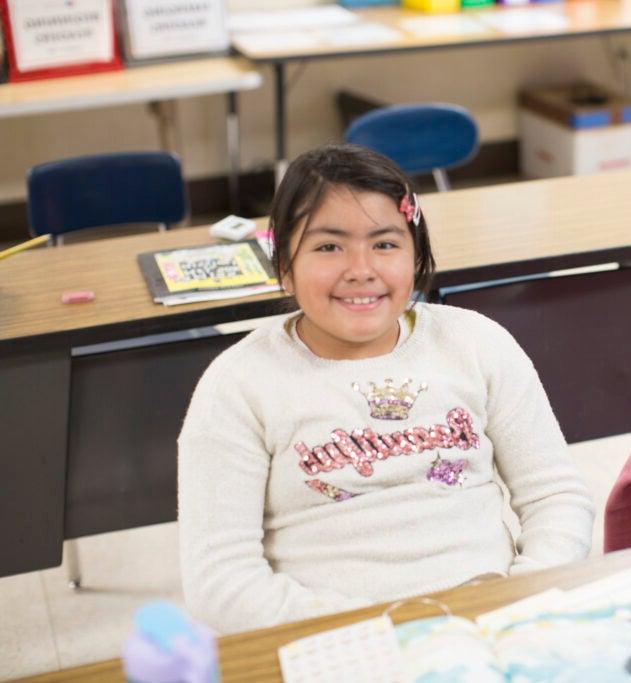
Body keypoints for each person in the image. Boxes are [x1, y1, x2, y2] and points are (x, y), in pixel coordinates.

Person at [178, 143, 594, 633]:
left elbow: (557, 499)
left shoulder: (477, 342)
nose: (361, 268)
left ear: (417, 258)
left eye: (386, 243)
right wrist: (376, 631)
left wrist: (518, 597)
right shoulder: (237, 385)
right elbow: (220, 583)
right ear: (284, 268)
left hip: (493, 621)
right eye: (328, 246)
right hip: (339, 642)